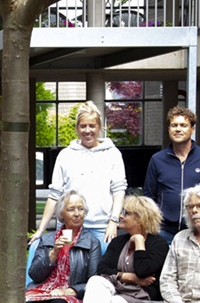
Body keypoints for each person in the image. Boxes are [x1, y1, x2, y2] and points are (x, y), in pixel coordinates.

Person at [30, 101, 127, 245]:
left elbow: (119, 190)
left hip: (102, 227)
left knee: (100, 267)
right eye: (83, 126)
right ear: (77, 128)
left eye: (92, 126)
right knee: (68, 267)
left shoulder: (112, 154)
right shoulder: (65, 155)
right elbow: (54, 195)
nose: (87, 131)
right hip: (69, 227)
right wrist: (41, 229)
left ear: (99, 127)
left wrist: (113, 221)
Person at [26, 190, 101, 303]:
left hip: (70, 297)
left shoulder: (92, 243)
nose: (77, 214)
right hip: (42, 292)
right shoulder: (47, 239)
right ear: (61, 214)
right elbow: (34, 274)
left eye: (80, 209)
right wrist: (53, 253)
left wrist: (72, 290)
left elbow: (95, 281)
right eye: (71, 209)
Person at [143, 107, 200, 243]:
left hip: (198, 231)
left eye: (183, 125)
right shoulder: (157, 160)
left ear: (192, 129)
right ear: (169, 129)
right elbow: (149, 196)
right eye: (174, 125)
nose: (178, 129)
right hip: (164, 232)